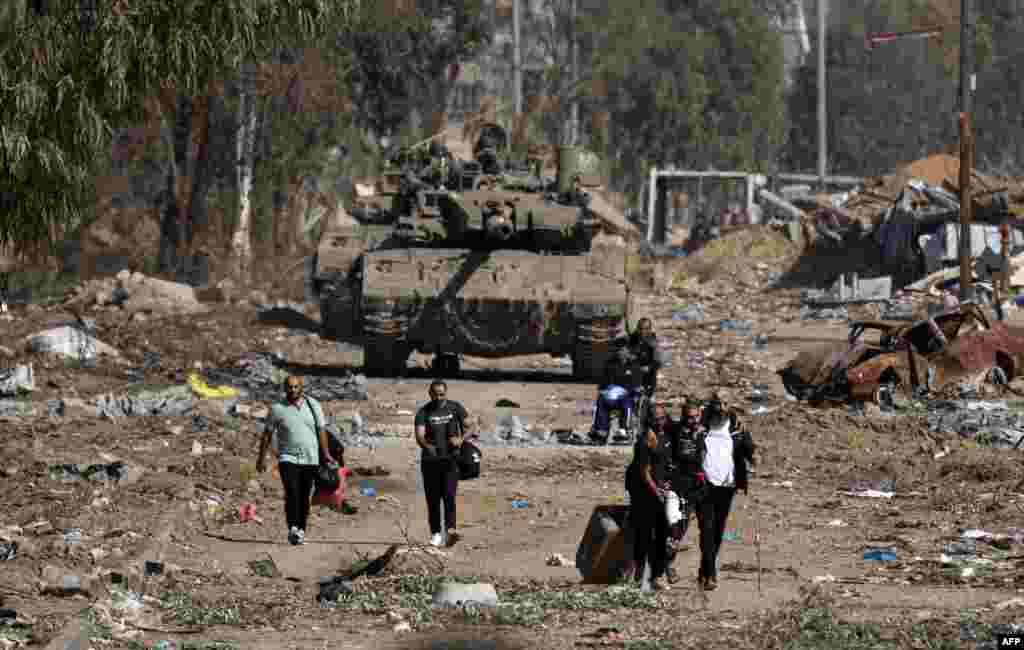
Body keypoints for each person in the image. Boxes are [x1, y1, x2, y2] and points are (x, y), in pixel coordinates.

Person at [256, 375, 338, 546]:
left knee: (304, 495)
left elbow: (321, 430)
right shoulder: (277, 408)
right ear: (284, 388)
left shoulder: (313, 405)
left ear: (301, 388)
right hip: (288, 457)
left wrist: (326, 454)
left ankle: (301, 529)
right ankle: (292, 528)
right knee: (292, 492)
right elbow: (267, 435)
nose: (292, 390)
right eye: (289, 387)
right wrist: (261, 458)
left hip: (311, 458)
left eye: (295, 387)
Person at [691, 397, 756, 591]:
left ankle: (705, 570)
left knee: (718, 530)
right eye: (715, 413)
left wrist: (754, 458)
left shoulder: (737, 430)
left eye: (722, 413)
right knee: (707, 529)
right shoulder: (700, 430)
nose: (718, 417)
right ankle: (711, 574)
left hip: (727, 487)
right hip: (704, 486)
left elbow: (750, 451)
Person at [414, 379, 469, 547]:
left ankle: (450, 531)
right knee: (433, 499)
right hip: (430, 462)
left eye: (442, 394)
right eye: (435, 394)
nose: (439, 397)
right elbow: (419, 435)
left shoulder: (455, 407)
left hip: (451, 461)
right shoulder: (424, 412)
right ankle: (436, 534)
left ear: (446, 393)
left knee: (449, 496)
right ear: (430, 394)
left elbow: (470, 426)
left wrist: (461, 439)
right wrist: (426, 446)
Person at [625, 423, 671, 592]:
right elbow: (645, 473)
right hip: (643, 495)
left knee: (659, 534)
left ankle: (654, 574)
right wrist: (657, 492)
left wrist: (664, 484)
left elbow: (660, 468)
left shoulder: (663, 439)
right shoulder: (643, 444)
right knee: (643, 534)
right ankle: (640, 574)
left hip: (654, 492)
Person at [663, 398, 703, 583]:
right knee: (672, 523)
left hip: (693, 487)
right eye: (689, 418)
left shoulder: (705, 433)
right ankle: (664, 565)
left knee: (681, 529)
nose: (692, 421)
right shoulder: (675, 430)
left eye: (696, 417)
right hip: (674, 484)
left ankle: (668, 563)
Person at [589, 345, 645, 445]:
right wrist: (604, 389)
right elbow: (603, 382)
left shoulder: (634, 366)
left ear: (628, 353)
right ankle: (601, 432)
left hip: (627, 396)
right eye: (619, 350)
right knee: (601, 401)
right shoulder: (611, 365)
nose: (621, 352)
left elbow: (637, 385)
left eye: (624, 350)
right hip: (611, 394)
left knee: (626, 401)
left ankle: (623, 430)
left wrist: (629, 390)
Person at [628, 318, 662, 395]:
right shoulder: (632, 339)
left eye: (646, 329)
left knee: (648, 400)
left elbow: (657, 361)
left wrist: (648, 367)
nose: (643, 331)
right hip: (633, 374)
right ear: (638, 329)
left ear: (650, 329)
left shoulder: (653, 342)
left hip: (648, 377)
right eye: (641, 328)